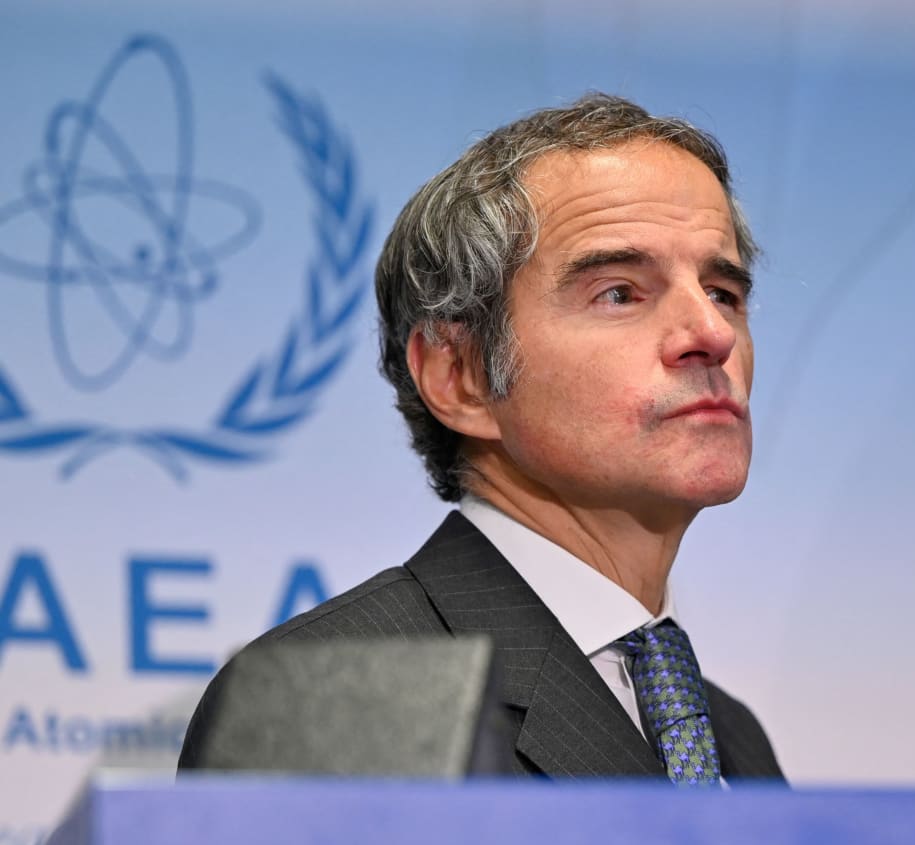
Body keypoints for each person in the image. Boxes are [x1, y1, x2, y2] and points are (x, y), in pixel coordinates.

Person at [179, 93, 783, 784]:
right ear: (459, 376)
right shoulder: (338, 702)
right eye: (619, 292)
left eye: (724, 293)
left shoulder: (732, 737)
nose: (711, 334)